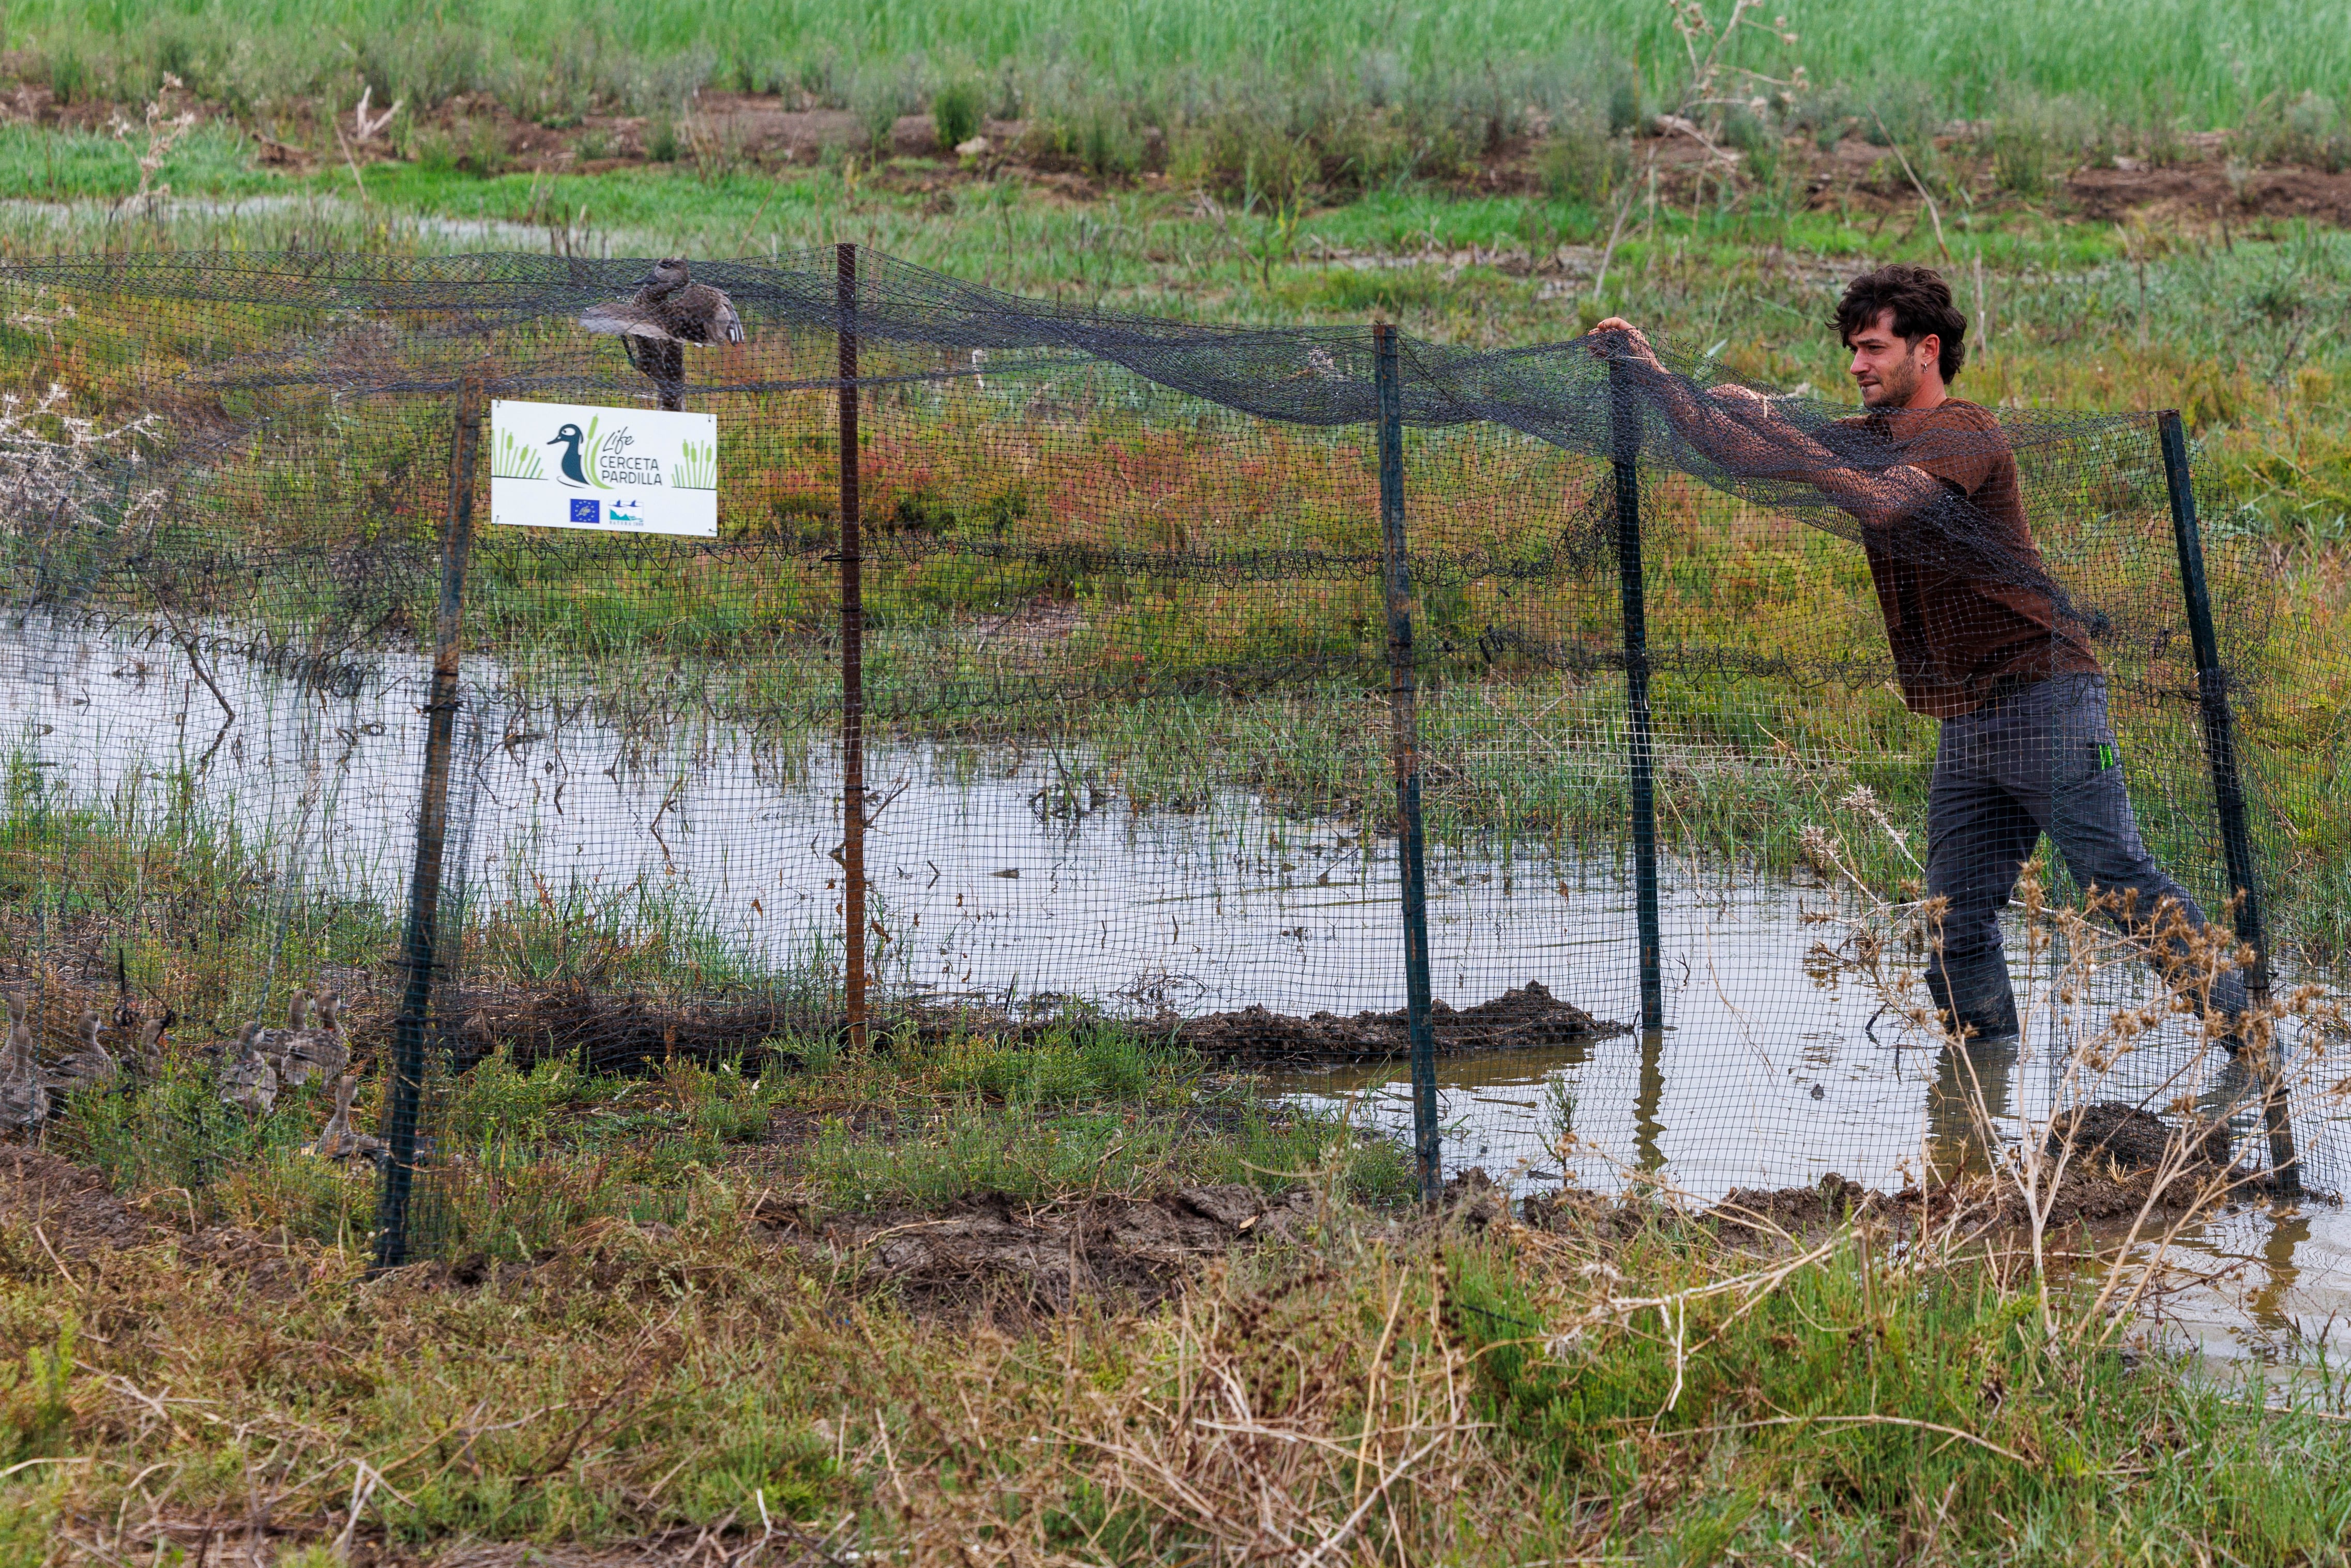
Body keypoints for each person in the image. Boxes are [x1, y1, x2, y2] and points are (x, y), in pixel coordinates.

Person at [1591, 264, 2247, 1044]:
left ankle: (2251, 1045)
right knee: (1953, 926)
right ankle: (1982, 1088)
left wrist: (1786, 434)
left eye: (1872, 348)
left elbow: (1885, 499)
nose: (1856, 365)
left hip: (2048, 697)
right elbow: (1729, 447)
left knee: (2120, 888)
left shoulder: (1966, 430)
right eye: (1852, 350)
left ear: (1926, 350)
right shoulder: (1863, 439)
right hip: (1968, 717)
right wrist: (1660, 378)